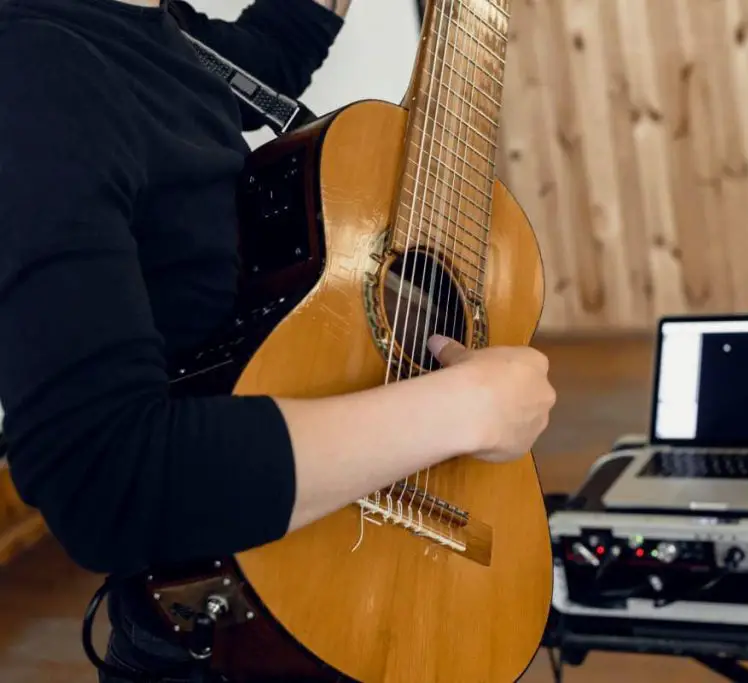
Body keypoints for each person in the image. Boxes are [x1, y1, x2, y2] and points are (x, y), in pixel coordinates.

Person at [0, 0, 557, 680]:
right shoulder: (34, 72)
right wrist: (462, 408)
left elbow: (267, 52)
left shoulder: (157, 28)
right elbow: (106, 484)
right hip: (234, 635)